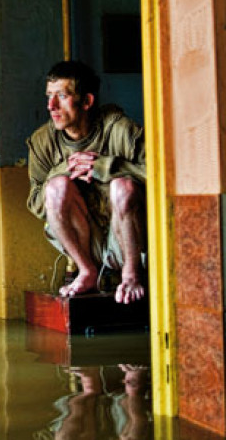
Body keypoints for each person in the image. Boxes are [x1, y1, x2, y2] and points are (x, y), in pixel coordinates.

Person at [26, 60, 147, 303]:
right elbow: (36, 204)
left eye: (61, 95)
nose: (51, 106)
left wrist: (107, 166)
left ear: (87, 101)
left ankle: (132, 275)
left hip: (127, 238)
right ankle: (86, 270)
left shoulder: (119, 129)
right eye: (49, 96)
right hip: (83, 242)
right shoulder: (42, 141)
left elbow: (161, 177)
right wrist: (64, 169)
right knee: (55, 188)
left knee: (122, 187)